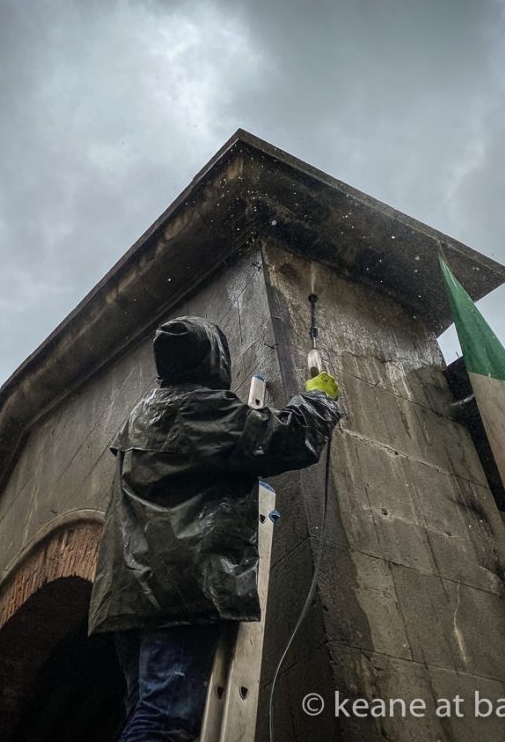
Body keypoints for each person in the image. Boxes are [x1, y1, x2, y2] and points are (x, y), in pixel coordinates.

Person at [88, 315, 341, 741]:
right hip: (177, 591)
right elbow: (285, 438)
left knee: (146, 713)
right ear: (214, 357)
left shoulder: (142, 413)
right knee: (165, 722)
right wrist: (318, 401)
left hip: (129, 595)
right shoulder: (199, 408)